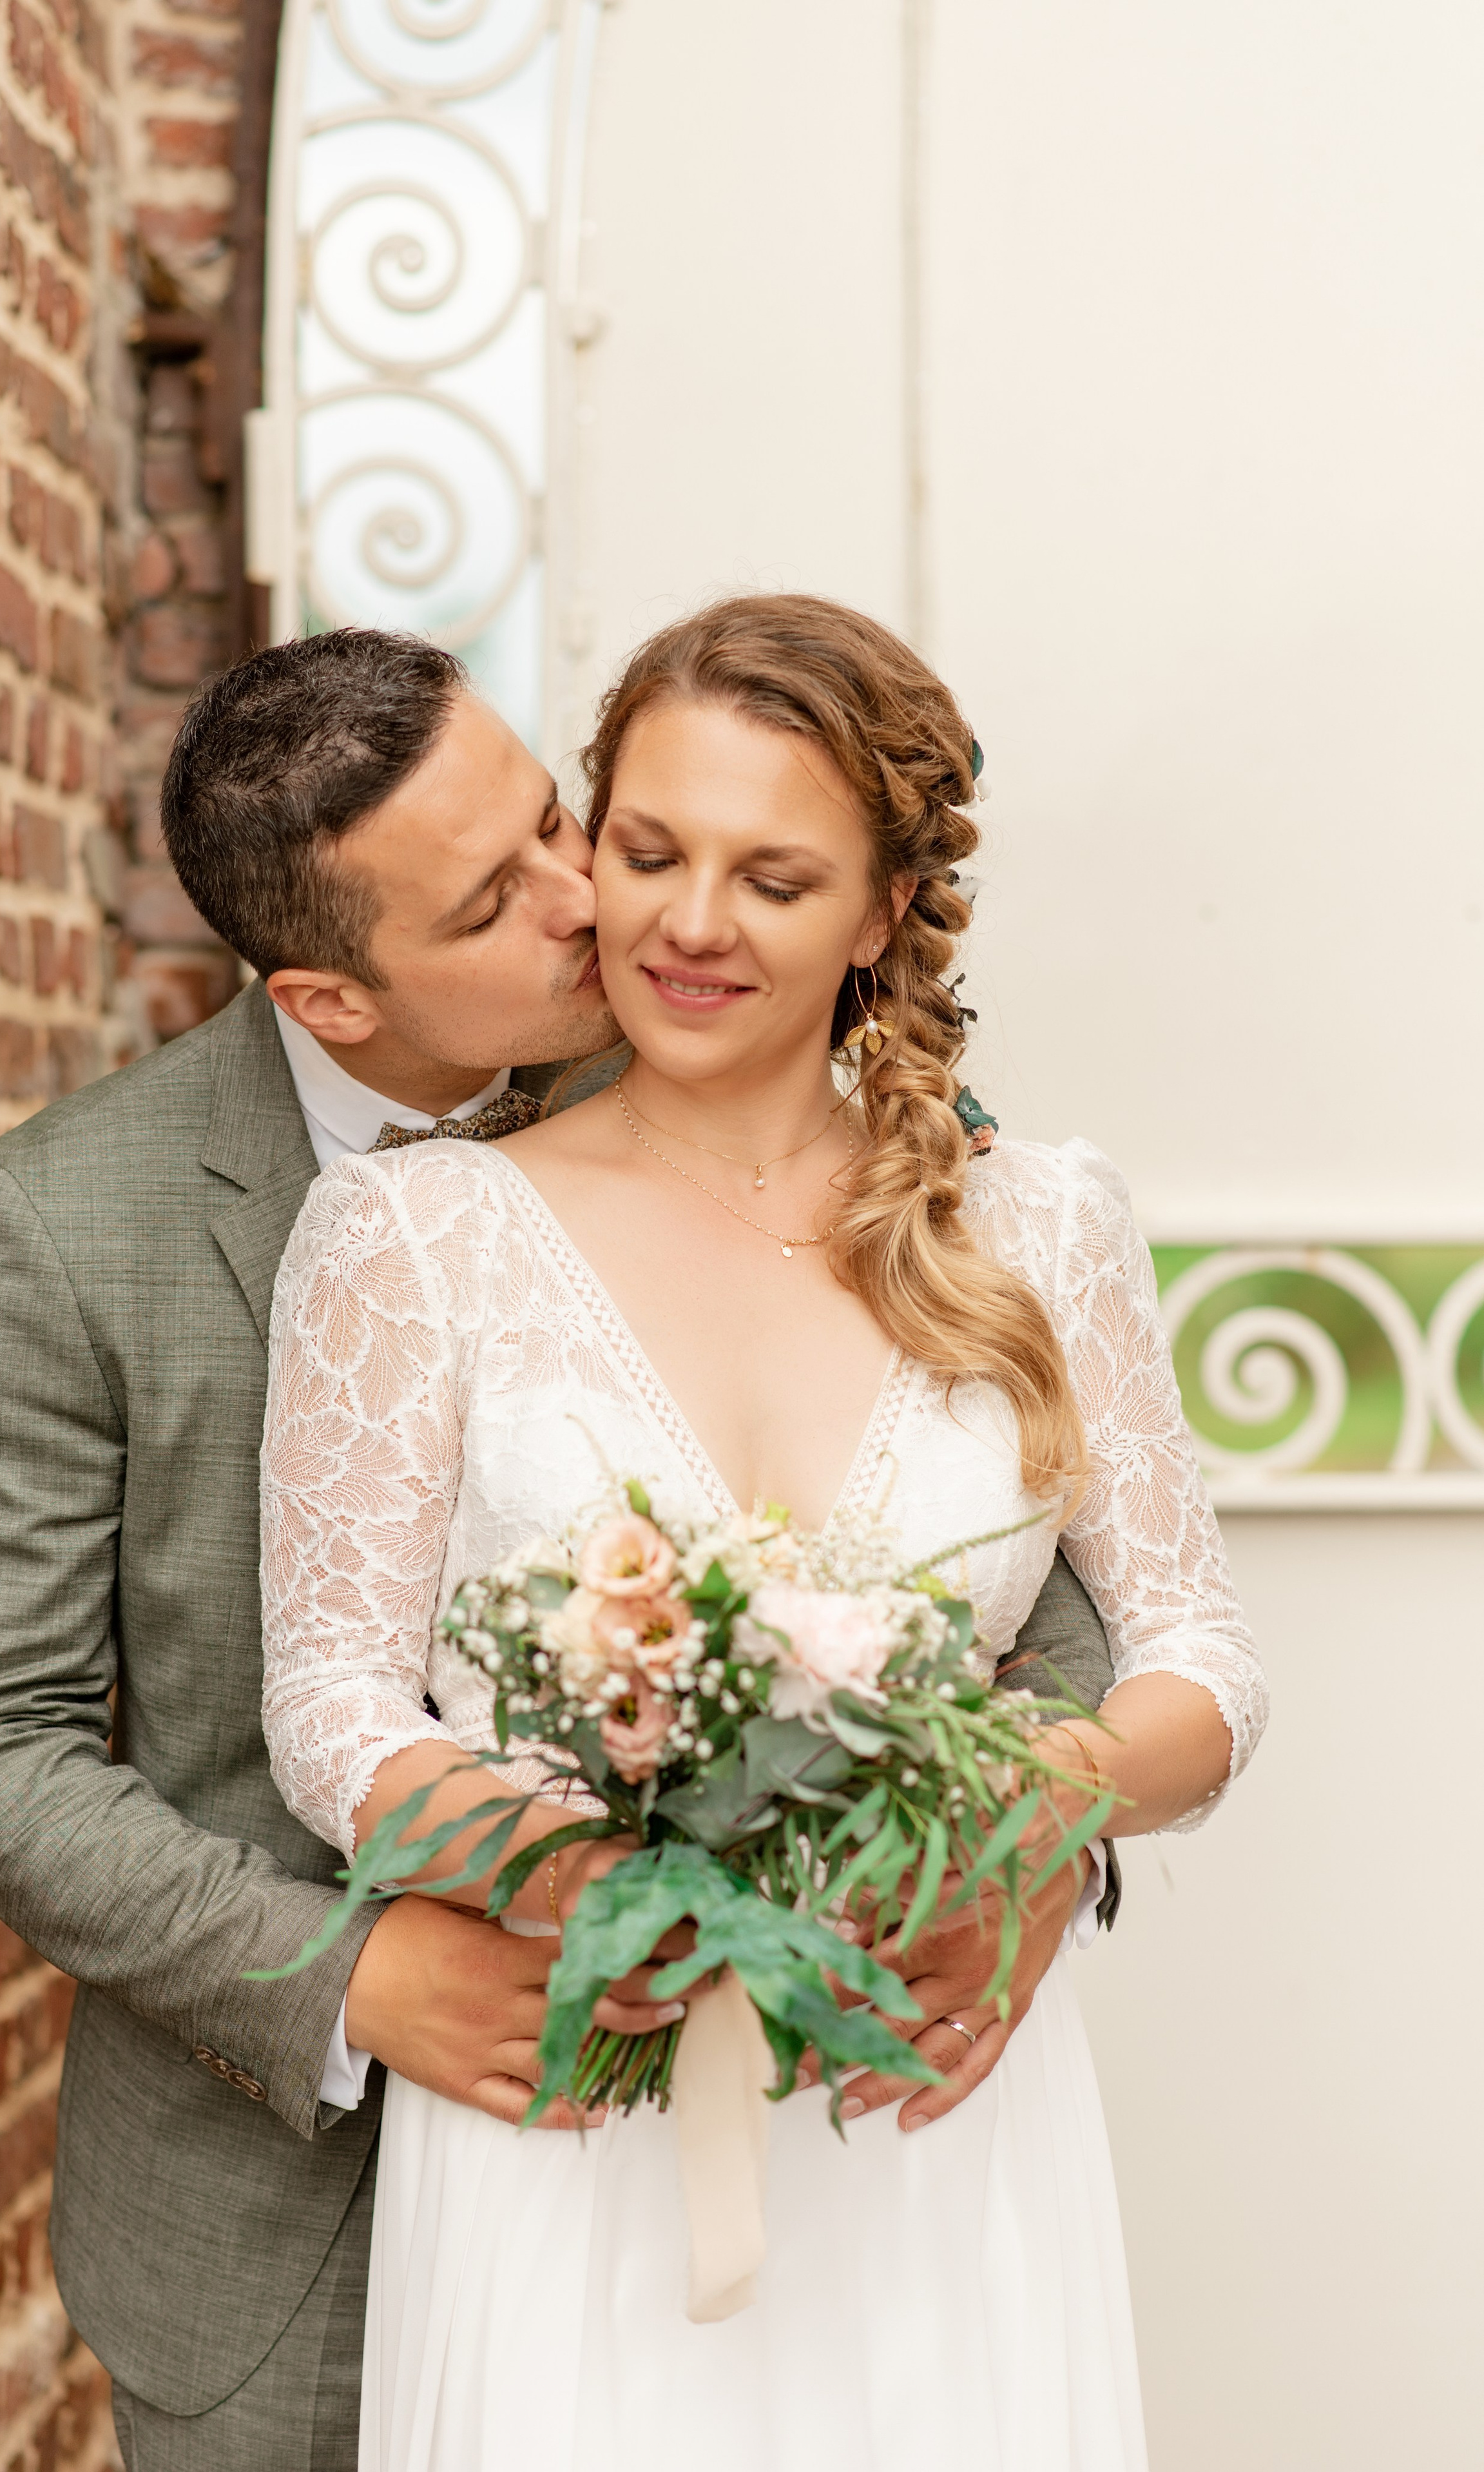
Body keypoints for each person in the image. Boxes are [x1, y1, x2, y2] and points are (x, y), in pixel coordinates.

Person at [0, 625, 1117, 2470]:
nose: (587, 900)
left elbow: (1036, 1567)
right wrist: (352, 1982)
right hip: (286, 2210)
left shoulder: (758, 1053)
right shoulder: (78, 1227)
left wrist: (1023, 1855)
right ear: (332, 1000)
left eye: (556, 820)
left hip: (818, 2148)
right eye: (491, 899)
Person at [260, 598, 1267, 2472]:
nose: (690, 924)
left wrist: (1024, 1803)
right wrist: (593, 1884)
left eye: (774, 878)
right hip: (578, 2108)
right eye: (647, 853)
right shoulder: (414, 1238)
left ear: (881, 915)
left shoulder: (1042, 1226)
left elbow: (1205, 1661)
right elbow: (329, 1699)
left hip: (929, 2108)